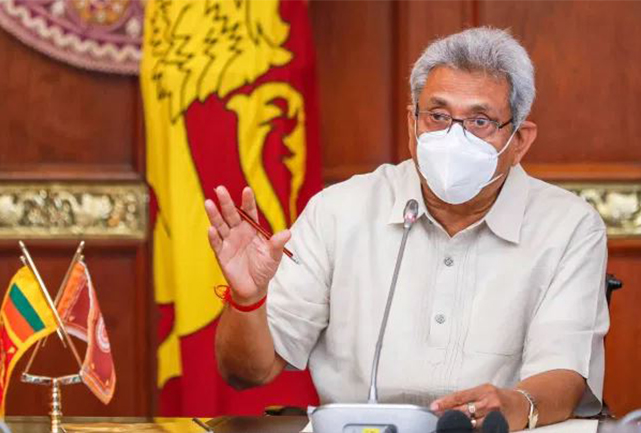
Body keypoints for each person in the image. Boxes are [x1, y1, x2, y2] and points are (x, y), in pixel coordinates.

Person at [204, 27, 609, 430]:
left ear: (519, 140)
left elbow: (566, 375)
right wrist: (247, 300)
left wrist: (514, 405)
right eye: (437, 116)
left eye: (480, 121)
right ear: (412, 126)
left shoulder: (568, 226)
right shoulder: (339, 210)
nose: (455, 137)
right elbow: (247, 372)